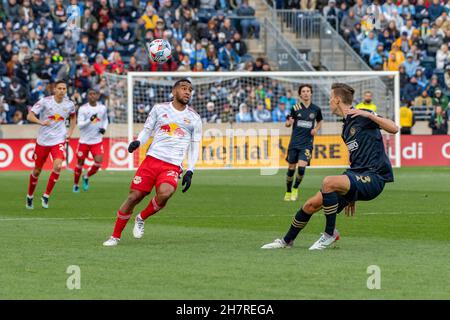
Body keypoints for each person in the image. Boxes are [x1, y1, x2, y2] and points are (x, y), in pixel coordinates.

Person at [262, 83, 398, 250]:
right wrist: (351, 192)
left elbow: (394, 128)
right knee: (310, 205)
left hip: (375, 177)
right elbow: (356, 160)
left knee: (328, 182)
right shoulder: (346, 127)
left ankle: (329, 234)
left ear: (337, 100)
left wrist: (368, 115)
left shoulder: (362, 115)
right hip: (358, 176)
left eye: (330, 99)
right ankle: (287, 241)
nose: (329, 103)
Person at [103, 79, 202, 247]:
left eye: (190, 90)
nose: (187, 92)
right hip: (152, 160)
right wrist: (138, 142)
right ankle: (115, 236)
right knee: (134, 196)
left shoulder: (194, 118)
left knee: (165, 193)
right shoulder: (159, 109)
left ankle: (141, 218)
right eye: (184, 88)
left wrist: (190, 170)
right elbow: (147, 130)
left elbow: (194, 145)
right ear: (174, 91)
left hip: (172, 165)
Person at [25, 80, 76, 209]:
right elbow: (29, 116)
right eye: (59, 88)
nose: (62, 91)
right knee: (37, 171)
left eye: (64, 89)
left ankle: (46, 195)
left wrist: (70, 131)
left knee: (58, 166)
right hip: (42, 141)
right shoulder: (45, 101)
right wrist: (41, 122)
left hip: (58, 140)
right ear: (54, 89)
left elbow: (73, 118)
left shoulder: (70, 104)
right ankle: (30, 196)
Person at [284, 84, 323, 202]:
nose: (306, 93)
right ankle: (288, 190)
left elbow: (320, 120)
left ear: (311, 93)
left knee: (301, 169)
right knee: (291, 169)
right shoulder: (295, 108)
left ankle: (295, 188)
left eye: (308, 91)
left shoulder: (316, 109)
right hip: (294, 143)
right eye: (303, 91)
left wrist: (316, 129)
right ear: (300, 94)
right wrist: (289, 123)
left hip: (307, 143)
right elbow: (287, 124)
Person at [73, 89, 108, 193]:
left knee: (98, 162)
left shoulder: (102, 108)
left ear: (97, 96)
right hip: (84, 141)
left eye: (94, 94)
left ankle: (86, 176)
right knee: (80, 163)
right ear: (87, 96)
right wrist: (90, 120)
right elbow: (80, 125)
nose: (92, 96)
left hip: (96, 140)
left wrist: (104, 128)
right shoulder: (83, 109)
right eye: (90, 94)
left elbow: (105, 119)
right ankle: (75, 185)